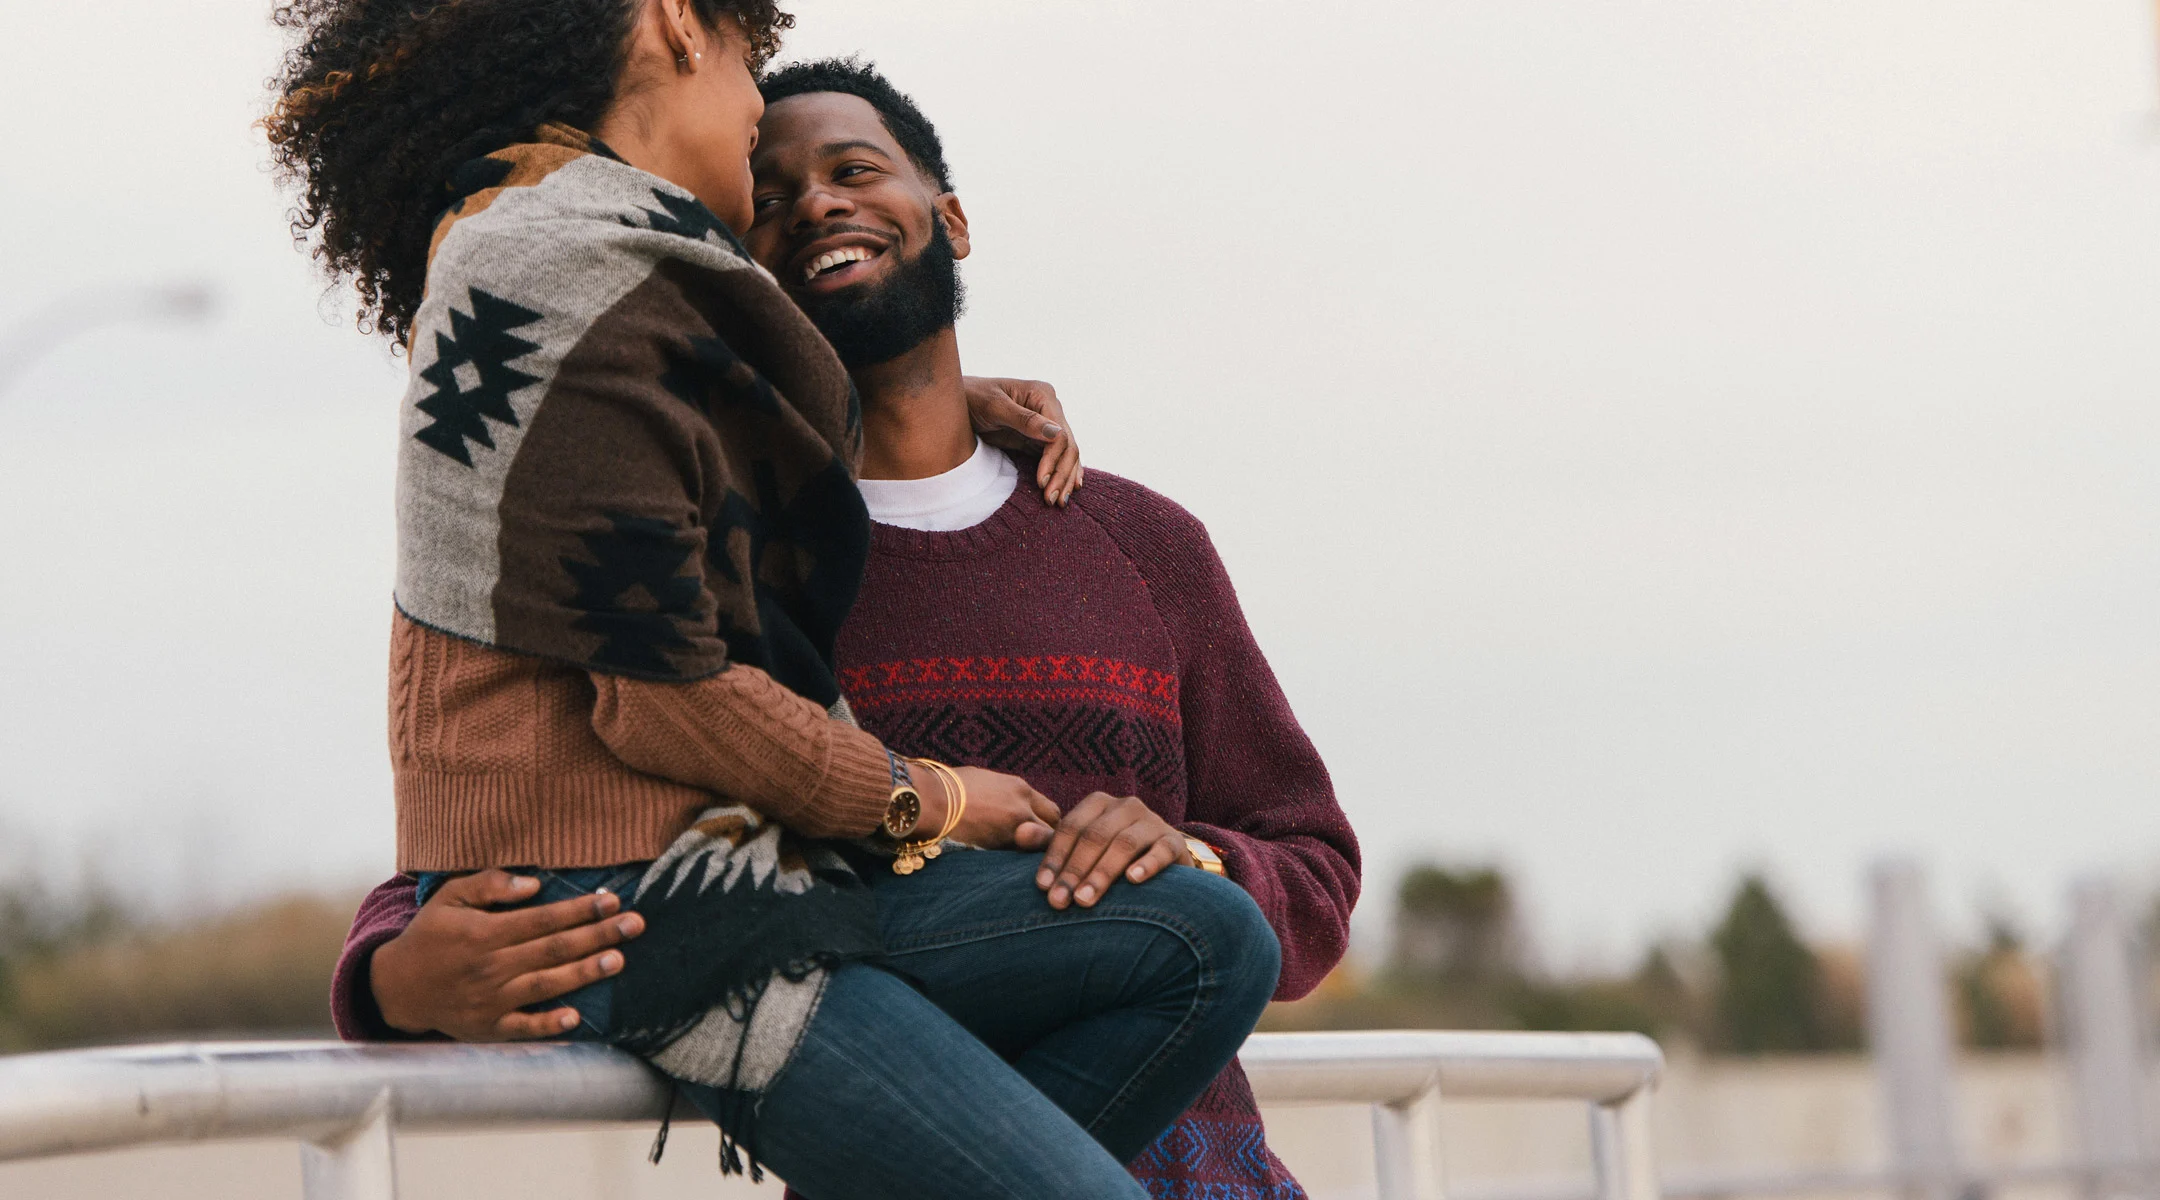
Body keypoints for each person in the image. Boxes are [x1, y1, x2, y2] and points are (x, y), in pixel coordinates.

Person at [267, 3, 1283, 1198]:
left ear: (950, 217)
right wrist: (935, 798)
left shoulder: (592, 272)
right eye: (755, 77)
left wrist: (927, 411)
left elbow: (651, 478)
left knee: (1213, 933)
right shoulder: (569, 270)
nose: (766, 130)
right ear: (678, 23)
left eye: (853, 173)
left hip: (747, 871)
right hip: (659, 896)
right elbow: (634, 706)